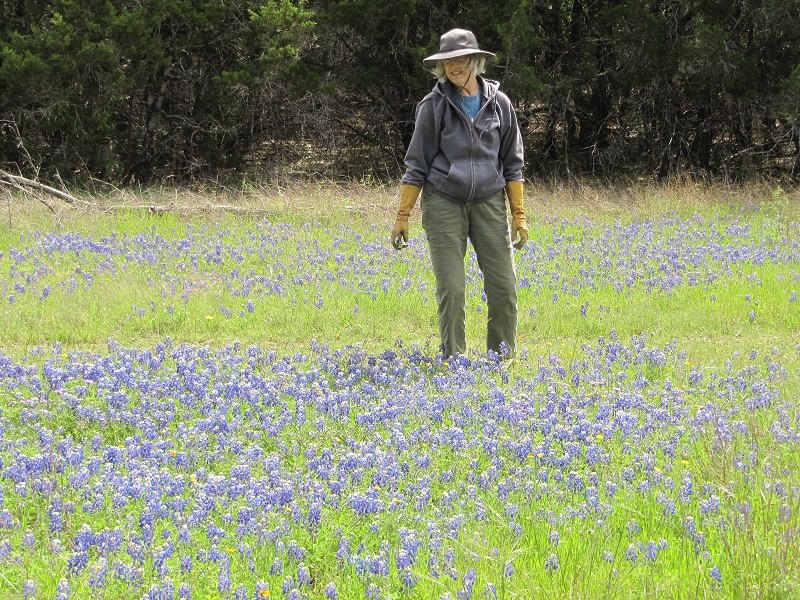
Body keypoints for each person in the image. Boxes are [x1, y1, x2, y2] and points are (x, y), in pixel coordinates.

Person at [391, 28, 528, 358]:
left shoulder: (500, 105)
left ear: (475, 61)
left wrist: (519, 215)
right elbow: (416, 165)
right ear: (442, 66)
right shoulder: (433, 106)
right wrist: (403, 215)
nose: (455, 66)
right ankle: (455, 361)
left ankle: (502, 358)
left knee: (504, 287)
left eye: (461, 59)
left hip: (490, 201)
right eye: (448, 61)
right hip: (443, 202)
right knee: (452, 288)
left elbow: (513, 163)